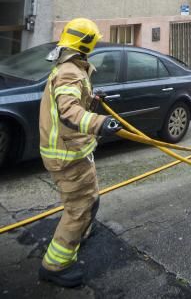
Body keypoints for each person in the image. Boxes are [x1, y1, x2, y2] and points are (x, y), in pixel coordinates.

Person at [38, 17, 122, 288]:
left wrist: (93, 102)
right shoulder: (70, 72)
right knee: (79, 207)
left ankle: (81, 232)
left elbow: (74, 103)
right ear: (88, 43)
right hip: (67, 155)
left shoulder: (70, 66)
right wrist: (100, 123)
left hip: (75, 151)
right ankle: (55, 265)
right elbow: (69, 111)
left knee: (90, 199)